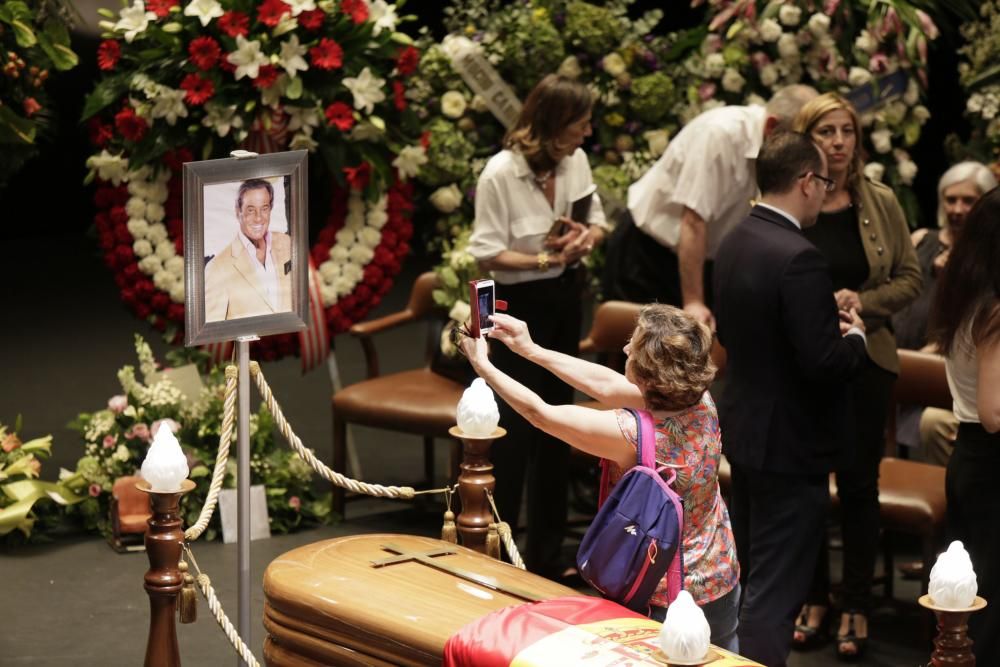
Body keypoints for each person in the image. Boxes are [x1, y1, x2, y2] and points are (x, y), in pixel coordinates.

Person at [458, 306, 741, 650]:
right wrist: (530, 349)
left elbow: (540, 414)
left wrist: (483, 366)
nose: (625, 350)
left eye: (632, 347)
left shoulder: (630, 435)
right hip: (720, 579)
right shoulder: (700, 401)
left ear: (651, 376)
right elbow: (608, 384)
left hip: (665, 600)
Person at [712, 131, 868, 667]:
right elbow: (823, 364)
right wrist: (855, 339)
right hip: (792, 444)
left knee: (751, 577)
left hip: (746, 430)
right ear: (806, 182)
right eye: (823, 181)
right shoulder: (801, 256)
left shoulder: (735, 239)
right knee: (776, 594)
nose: (825, 191)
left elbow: (737, 335)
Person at [789, 92, 921, 660]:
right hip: (805, 362)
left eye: (846, 131)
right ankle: (813, 596)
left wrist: (860, 301)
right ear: (806, 140)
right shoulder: (791, 198)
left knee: (860, 486)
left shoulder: (880, 200)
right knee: (808, 485)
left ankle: (857, 604)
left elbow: (912, 279)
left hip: (866, 363)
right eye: (826, 132)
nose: (838, 142)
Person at [467, 74, 608, 580]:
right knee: (513, 433)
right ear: (552, 126)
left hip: (563, 299)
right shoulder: (499, 175)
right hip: (516, 304)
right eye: (580, 123)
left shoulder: (576, 162)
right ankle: (498, 554)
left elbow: (597, 220)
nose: (587, 132)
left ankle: (547, 557)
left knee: (557, 426)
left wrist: (585, 240)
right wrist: (545, 255)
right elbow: (486, 251)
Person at [601, 84, 817, 329]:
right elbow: (693, 221)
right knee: (634, 359)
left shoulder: (773, 145)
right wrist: (693, 301)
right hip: (647, 257)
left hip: (700, 262)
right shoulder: (720, 134)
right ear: (772, 128)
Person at [929, 186, 1000, 666]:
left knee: (968, 594)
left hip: (969, 457)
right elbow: (997, 414)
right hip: (992, 463)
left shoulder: (963, 293)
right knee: (989, 599)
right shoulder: (995, 309)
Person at [893, 161, 997, 464]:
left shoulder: (983, 267)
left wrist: (934, 349)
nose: (957, 208)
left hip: (942, 361)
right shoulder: (922, 238)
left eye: (968, 200)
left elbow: (972, 324)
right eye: (950, 199)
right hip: (898, 355)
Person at [204, 178, 292, 322]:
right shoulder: (217, 268)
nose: (258, 218)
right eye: (250, 210)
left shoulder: (287, 243)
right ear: (238, 212)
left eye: (264, 208)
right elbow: (214, 334)